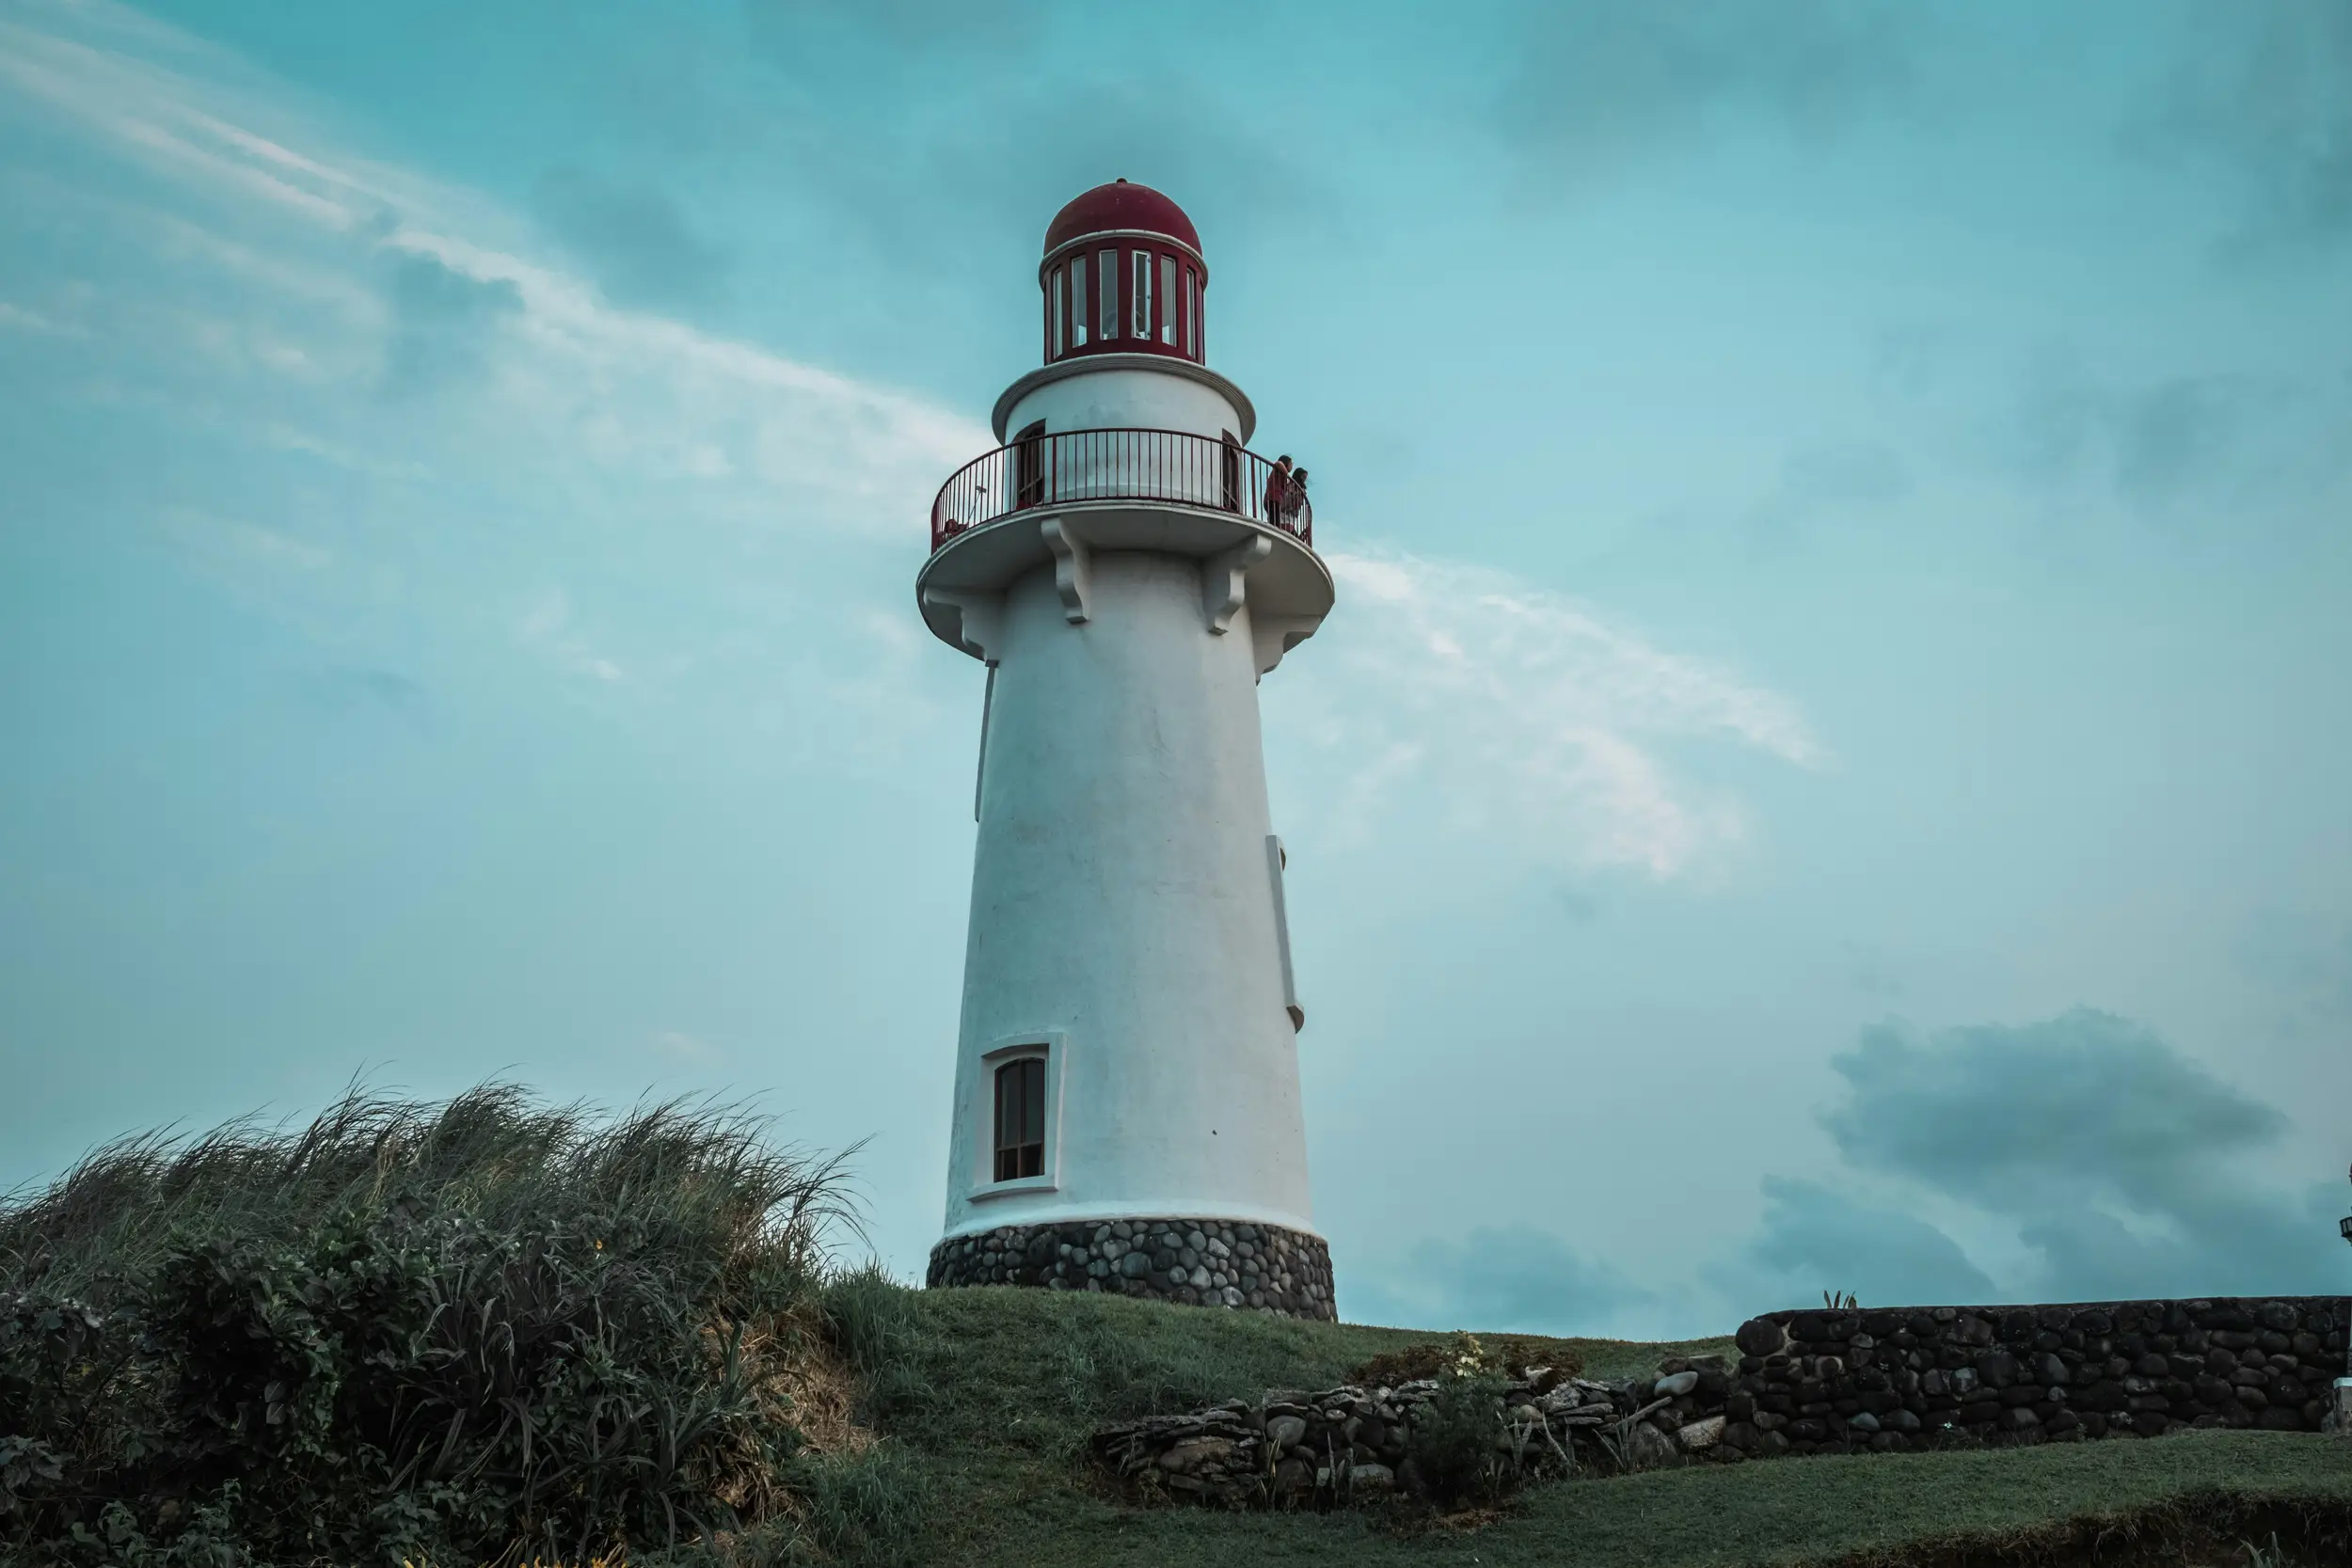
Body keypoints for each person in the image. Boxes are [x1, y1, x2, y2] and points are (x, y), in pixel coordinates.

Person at [1263, 454, 1293, 522]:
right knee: (1275, 522)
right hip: (1272, 498)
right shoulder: (1279, 469)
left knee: (1274, 521)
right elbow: (1278, 463)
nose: (1292, 466)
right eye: (1291, 464)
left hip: (1275, 500)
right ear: (1286, 463)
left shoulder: (1283, 475)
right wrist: (1288, 475)